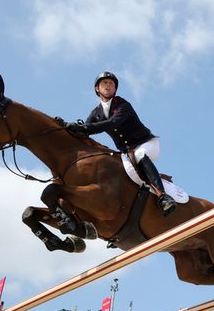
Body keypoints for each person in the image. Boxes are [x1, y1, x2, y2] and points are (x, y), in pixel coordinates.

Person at [67, 71, 176, 216]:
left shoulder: (123, 104)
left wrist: (86, 128)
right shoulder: (96, 113)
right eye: (104, 83)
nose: (108, 85)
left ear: (115, 89)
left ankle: (164, 197)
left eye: (111, 83)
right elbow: (86, 131)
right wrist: (68, 128)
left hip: (147, 143)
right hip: (126, 152)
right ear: (97, 89)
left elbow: (113, 122)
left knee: (139, 155)